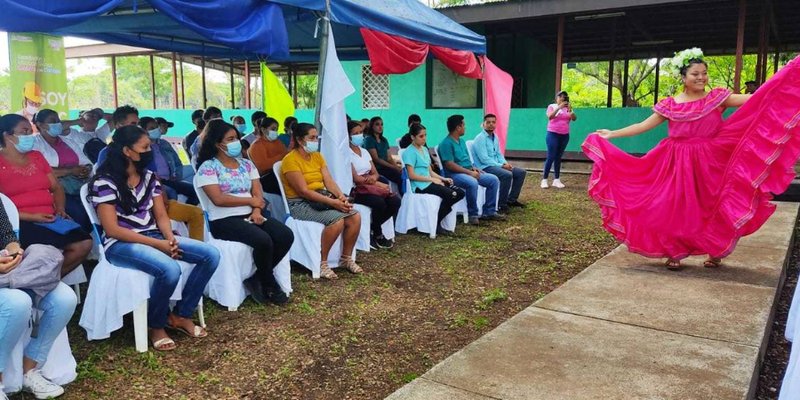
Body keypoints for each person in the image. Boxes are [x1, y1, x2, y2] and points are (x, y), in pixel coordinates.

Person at [582, 49, 800, 270]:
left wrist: (788, 74)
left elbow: (758, 98)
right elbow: (642, 126)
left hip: (712, 160)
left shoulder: (716, 98)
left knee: (713, 203)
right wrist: (613, 134)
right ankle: (674, 252)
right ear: (683, 77)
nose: (701, 78)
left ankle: (716, 250)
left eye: (704, 73)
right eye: (695, 74)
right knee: (673, 206)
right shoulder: (670, 105)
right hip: (675, 162)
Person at [90, 125, 219, 351]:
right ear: (127, 151)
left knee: (210, 254)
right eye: (145, 147)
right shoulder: (105, 182)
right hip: (121, 244)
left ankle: (181, 315)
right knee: (170, 269)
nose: (150, 151)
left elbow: (161, 215)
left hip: (154, 235)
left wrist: (170, 238)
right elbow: (112, 229)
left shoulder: (149, 177)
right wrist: (159, 244)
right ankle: (156, 325)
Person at [196, 119, 294, 304]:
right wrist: (250, 201)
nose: (236, 143)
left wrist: (257, 210)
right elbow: (218, 198)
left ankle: (257, 277)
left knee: (285, 235)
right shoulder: (208, 167)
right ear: (218, 143)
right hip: (223, 219)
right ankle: (268, 283)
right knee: (263, 240)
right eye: (230, 139)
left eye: (236, 138)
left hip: (252, 213)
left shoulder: (246, 165)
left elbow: (258, 191)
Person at [0, 200, 77, 400]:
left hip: (6, 272)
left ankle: (30, 370)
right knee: (17, 303)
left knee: (65, 298)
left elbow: (7, 235)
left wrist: (15, 252)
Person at [0, 114, 92, 277]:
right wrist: (32, 216)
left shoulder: (37, 157)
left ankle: (42, 282)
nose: (29, 136)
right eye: (24, 132)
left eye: (30, 131)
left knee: (84, 243)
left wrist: (61, 208)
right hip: (19, 223)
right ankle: (38, 282)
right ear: (7, 136)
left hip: (50, 218)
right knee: (48, 250)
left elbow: (56, 187)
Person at [280, 123, 362, 280]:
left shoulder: (317, 156)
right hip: (299, 203)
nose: (315, 140)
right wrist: (333, 203)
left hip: (321, 197)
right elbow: (303, 191)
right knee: (337, 220)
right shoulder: (290, 160)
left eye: (316, 137)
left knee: (355, 216)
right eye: (311, 137)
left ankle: (346, 258)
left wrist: (340, 197)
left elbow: (329, 180)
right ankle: (322, 263)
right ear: (299, 139)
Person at [30, 109, 93, 230]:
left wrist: (85, 169)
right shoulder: (35, 144)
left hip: (81, 186)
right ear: (40, 125)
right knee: (80, 215)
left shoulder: (68, 142)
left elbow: (85, 161)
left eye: (58, 120)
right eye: (53, 121)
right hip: (57, 192)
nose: (58, 123)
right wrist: (70, 171)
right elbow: (39, 170)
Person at [438, 115, 503, 224]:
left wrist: (474, 168)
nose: (465, 127)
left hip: (468, 171)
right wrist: (469, 173)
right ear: (458, 127)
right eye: (464, 125)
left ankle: (489, 212)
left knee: (493, 180)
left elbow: (467, 160)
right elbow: (449, 165)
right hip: (454, 174)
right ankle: (473, 214)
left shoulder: (461, 141)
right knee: (472, 183)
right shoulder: (446, 143)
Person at [402, 123, 465, 231]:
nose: (424, 138)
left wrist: (442, 179)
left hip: (429, 181)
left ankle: (436, 220)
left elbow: (429, 171)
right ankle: (436, 224)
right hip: (420, 185)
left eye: (425, 135)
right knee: (451, 194)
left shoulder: (424, 150)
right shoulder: (409, 152)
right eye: (421, 136)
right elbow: (412, 175)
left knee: (460, 193)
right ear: (413, 137)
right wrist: (432, 180)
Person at [347, 120, 400, 249]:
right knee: (379, 202)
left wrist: (373, 179)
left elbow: (374, 172)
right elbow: (356, 178)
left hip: (371, 183)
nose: (359, 135)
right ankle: (377, 234)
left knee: (395, 201)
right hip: (357, 190)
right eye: (355, 133)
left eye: (361, 132)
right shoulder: (346, 153)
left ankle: (373, 227)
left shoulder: (364, 152)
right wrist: (377, 183)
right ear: (348, 136)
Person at [472, 114, 527, 213]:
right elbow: (484, 159)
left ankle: (511, 200)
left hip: (497, 165)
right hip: (485, 167)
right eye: (488, 122)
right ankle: (501, 204)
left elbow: (499, 154)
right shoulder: (480, 138)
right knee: (507, 175)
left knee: (520, 172)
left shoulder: (495, 137)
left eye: (493, 122)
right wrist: (502, 166)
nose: (491, 124)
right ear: (483, 124)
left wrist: (506, 164)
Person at [138, 117, 199, 205]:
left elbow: (177, 162)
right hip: (152, 181)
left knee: (195, 191)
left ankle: (185, 215)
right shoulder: (140, 147)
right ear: (143, 130)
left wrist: (176, 175)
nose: (156, 130)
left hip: (170, 179)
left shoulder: (164, 144)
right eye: (151, 128)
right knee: (171, 193)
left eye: (156, 128)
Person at [542, 91, 577, 189]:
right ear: (556, 98)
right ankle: (544, 179)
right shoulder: (552, 106)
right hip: (552, 134)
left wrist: (571, 111)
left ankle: (556, 180)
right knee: (551, 156)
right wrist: (559, 107)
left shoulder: (568, 108)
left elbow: (574, 118)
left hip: (564, 135)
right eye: (560, 97)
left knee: (558, 156)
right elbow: (550, 117)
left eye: (564, 97)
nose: (562, 99)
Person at [248, 117, 288, 195]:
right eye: (273, 129)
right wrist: (282, 156)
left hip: (280, 174)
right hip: (266, 179)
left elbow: (286, 156)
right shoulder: (257, 145)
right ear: (263, 129)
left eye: (276, 129)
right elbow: (263, 166)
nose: (275, 131)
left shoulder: (278, 142)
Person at [363, 117, 403, 189]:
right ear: (372, 126)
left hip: (386, 167)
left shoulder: (384, 140)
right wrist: (392, 167)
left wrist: (397, 167)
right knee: (398, 177)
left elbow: (389, 158)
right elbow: (376, 159)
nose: (380, 127)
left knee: (402, 174)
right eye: (377, 124)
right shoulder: (369, 140)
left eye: (382, 124)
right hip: (376, 169)